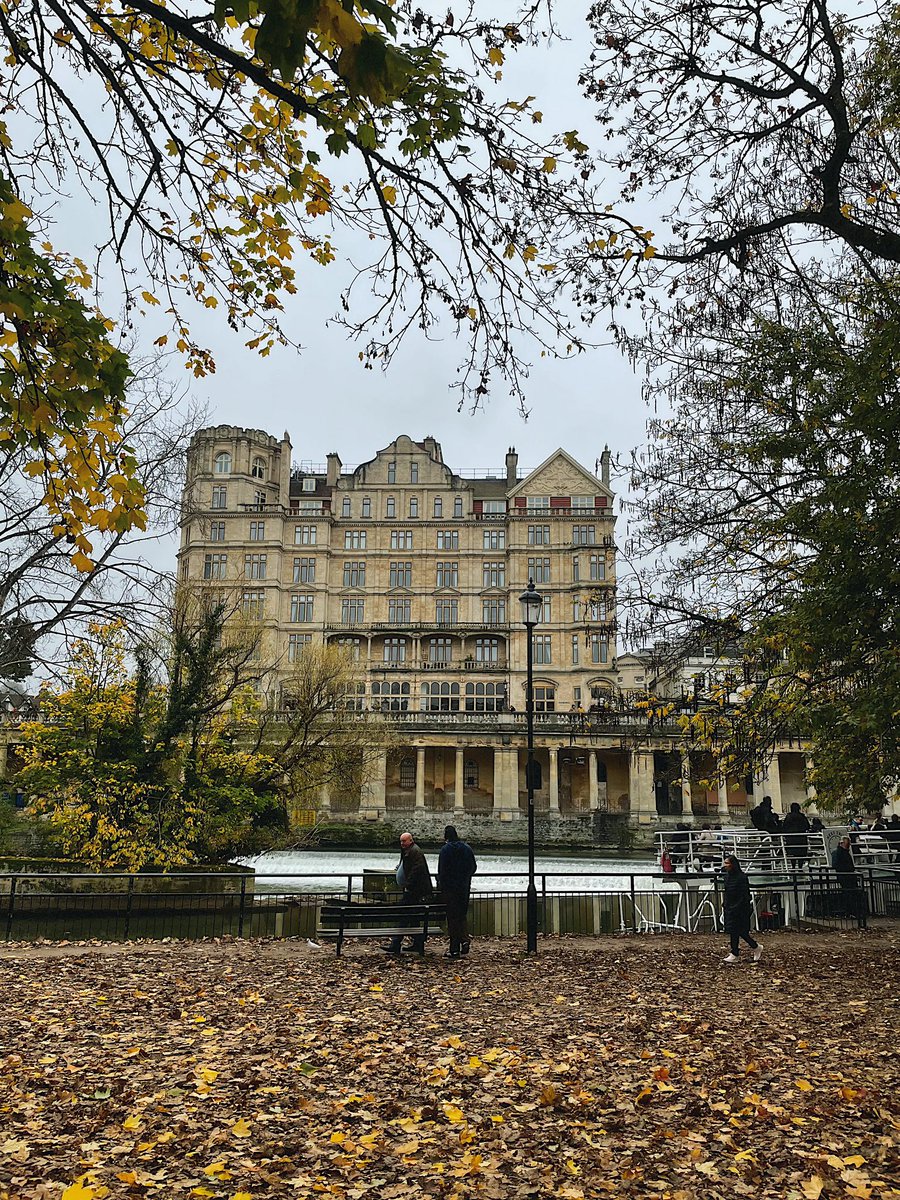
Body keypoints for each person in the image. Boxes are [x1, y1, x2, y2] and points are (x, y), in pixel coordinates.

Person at [385, 831, 434, 954]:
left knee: (403, 916)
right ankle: (417, 944)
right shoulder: (409, 851)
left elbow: (417, 870)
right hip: (414, 891)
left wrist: (408, 885)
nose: (402, 843)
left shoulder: (415, 852)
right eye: (401, 841)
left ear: (411, 840)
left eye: (404, 841)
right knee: (413, 918)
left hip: (414, 892)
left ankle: (396, 943)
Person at [437, 824, 478, 959]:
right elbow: (473, 867)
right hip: (464, 888)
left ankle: (454, 948)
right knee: (461, 916)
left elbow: (442, 871)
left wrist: (442, 886)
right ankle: (464, 940)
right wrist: (466, 878)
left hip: (450, 890)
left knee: (452, 919)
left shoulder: (445, 850)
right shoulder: (467, 848)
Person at [721, 853, 762, 964]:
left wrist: (736, 906)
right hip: (730, 907)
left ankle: (736, 952)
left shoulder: (742, 877)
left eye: (727, 863)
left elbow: (745, 895)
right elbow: (727, 892)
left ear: (733, 864)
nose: (725, 865)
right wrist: (725, 904)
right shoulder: (727, 877)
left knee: (739, 931)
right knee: (735, 931)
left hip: (740, 909)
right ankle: (747, 949)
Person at [831, 835, 867, 929]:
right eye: (847, 844)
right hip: (846, 876)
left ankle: (851, 912)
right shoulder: (841, 853)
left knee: (849, 894)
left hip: (847, 876)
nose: (848, 845)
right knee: (850, 894)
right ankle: (852, 912)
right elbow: (836, 865)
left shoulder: (841, 852)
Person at [781, 802, 811, 869]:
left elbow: (784, 827)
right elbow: (807, 826)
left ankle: (793, 866)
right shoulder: (802, 817)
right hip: (801, 838)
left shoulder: (788, 817)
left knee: (792, 854)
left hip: (791, 839)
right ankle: (800, 867)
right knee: (801, 854)